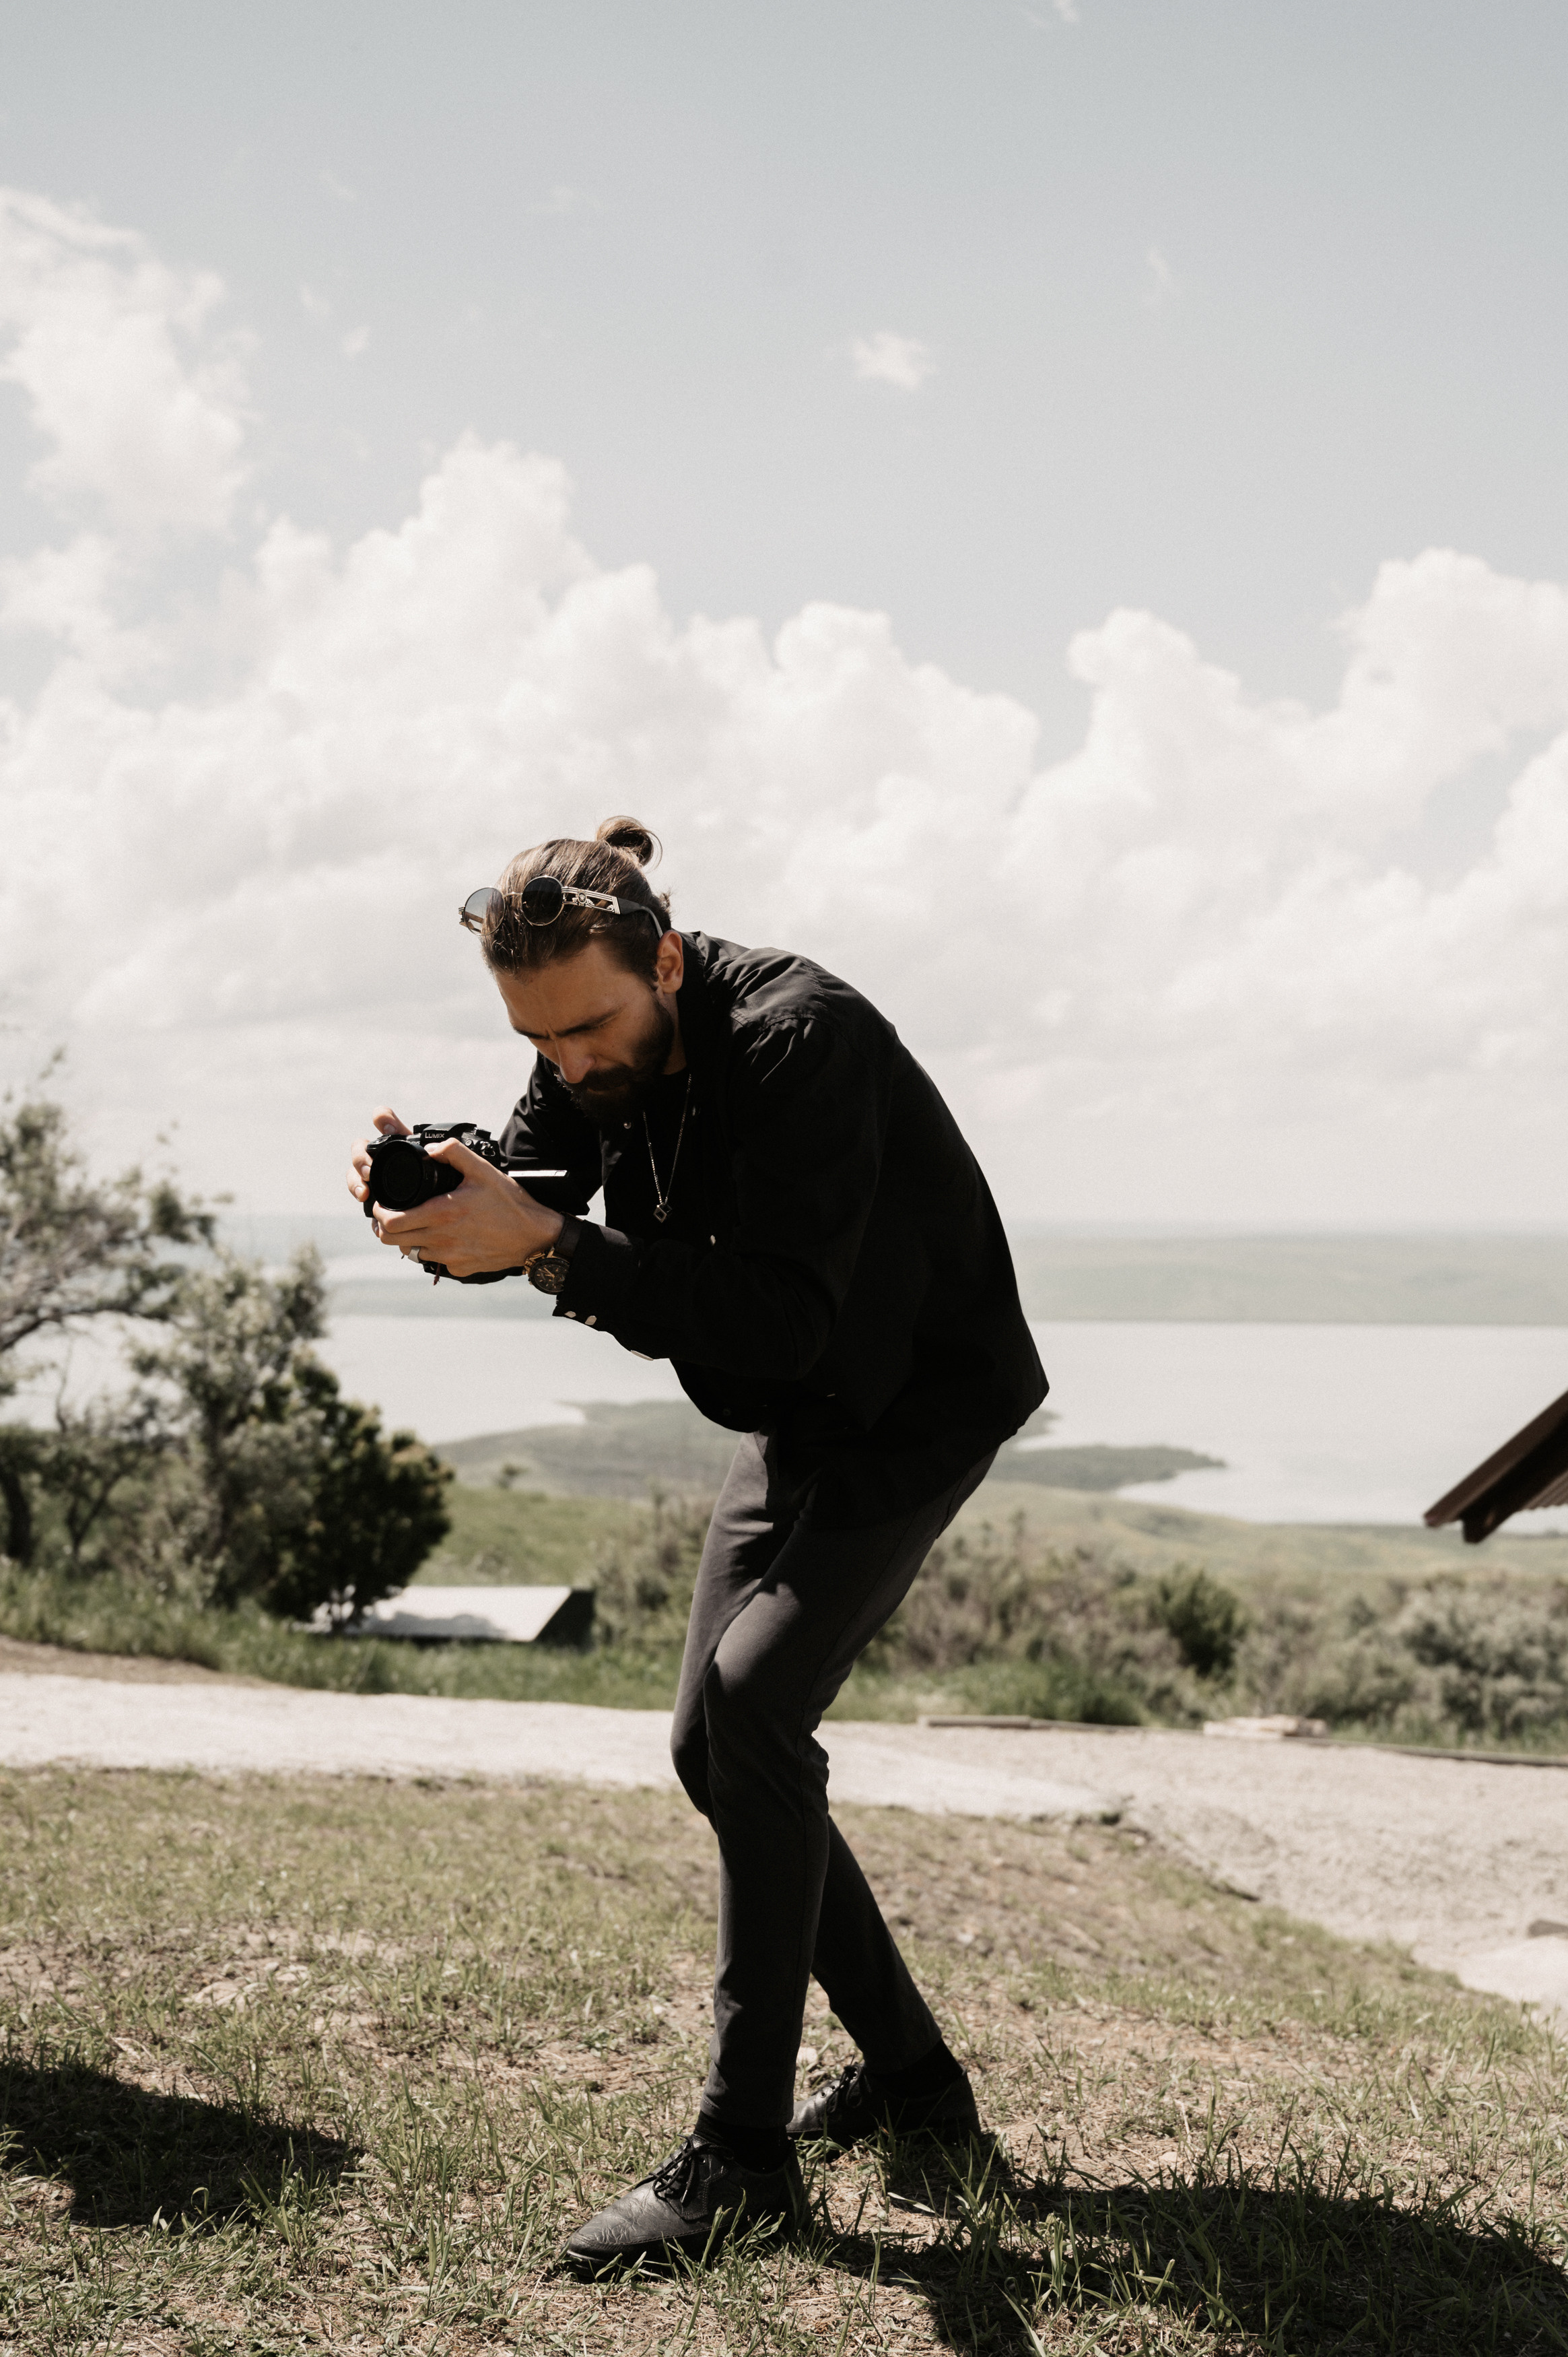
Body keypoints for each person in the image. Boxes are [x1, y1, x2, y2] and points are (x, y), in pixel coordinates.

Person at [347, 817, 1047, 2267]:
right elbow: (539, 1182)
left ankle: (742, 2156)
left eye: (594, 1027)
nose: (575, 1063)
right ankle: (920, 2090)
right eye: (541, 1038)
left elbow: (784, 1313)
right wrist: (441, 1192)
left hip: (913, 1404)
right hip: (794, 1415)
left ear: (664, 958)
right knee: (709, 1745)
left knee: (753, 1706)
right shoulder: (583, 1047)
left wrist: (541, 1247)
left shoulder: (802, 1040)